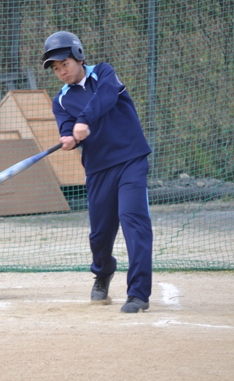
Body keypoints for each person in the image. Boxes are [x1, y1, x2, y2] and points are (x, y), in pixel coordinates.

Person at [42, 31, 153, 313]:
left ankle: (138, 293)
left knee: (133, 221)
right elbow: (67, 128)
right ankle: (103, 272)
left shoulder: (104, 73)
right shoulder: (61, 101)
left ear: (78, 57)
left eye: (65, 63)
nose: (61, 71)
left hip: (130, 160)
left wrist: (84, 120)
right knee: (100, 235)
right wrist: (69, 138)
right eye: (56, 68)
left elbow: (105, 98)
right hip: (98, 170)